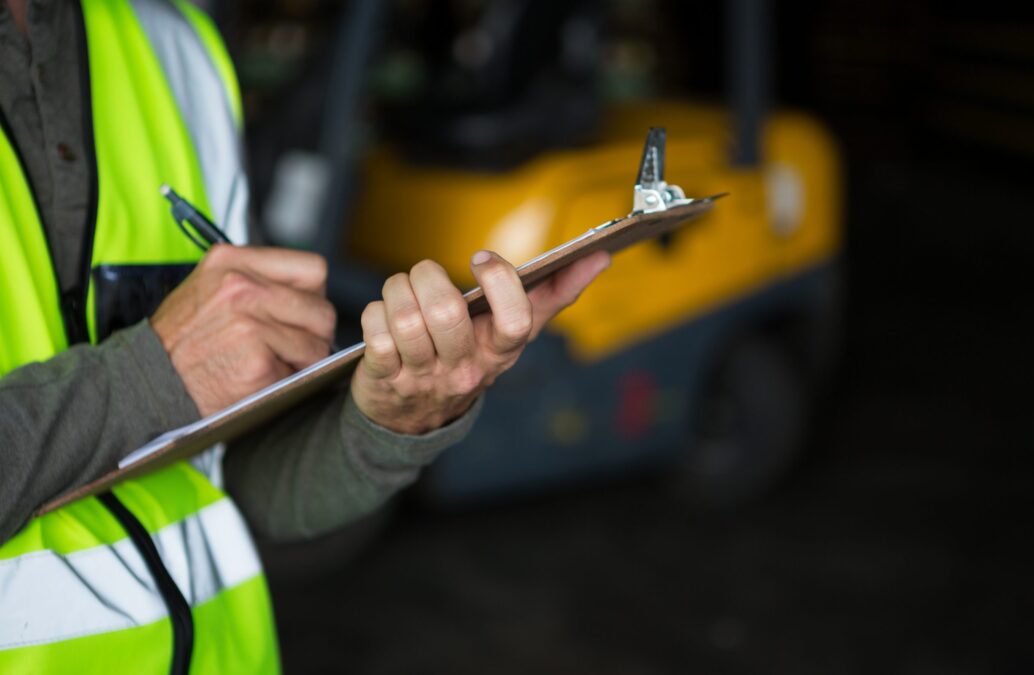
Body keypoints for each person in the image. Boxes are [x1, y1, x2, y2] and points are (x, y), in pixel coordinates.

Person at [0, 0, 609, 672]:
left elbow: (238, 482)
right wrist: (150, 376)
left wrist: (391, 424)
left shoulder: (171, 45)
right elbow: (160, 384)